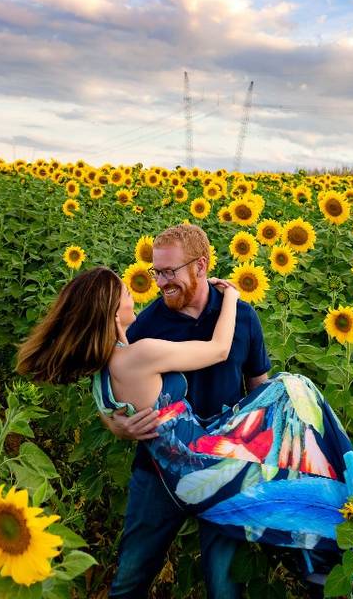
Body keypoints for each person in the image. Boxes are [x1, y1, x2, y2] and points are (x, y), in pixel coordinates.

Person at [16, 265, 353, 598]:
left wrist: (117, 423)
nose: (139, 290)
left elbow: (114, 407)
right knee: (296, 390)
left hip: (182, 465)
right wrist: (234, 298)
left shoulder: (102, 366)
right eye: (126, 291)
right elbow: (219, 349)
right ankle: (334, 545)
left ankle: (320, 552)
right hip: (200, 462)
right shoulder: (138, 352)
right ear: (112, 310)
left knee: (138, 579)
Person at [103, 224, 272, 598]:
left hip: (225, 467)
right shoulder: (147, 323)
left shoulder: (242, 318)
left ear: (200, 266)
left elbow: (258, 384)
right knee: (131, 577)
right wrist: (117, 425)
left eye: (169, 271)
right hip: (158, 472)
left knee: (225, 585)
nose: (161, 282)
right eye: (156, 272)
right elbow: (107, 379)